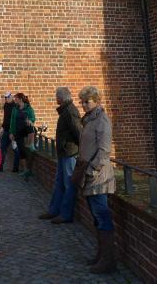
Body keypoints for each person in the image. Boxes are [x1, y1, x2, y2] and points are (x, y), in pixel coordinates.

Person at [76, 85, 116, 274]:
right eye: (82, 101)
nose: (84, 105)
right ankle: (101, 255)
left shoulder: (102, 120)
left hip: (98, 177)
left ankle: (108, 260)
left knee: (102, 216)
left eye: (87, 101)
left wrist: (91, 171)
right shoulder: (90, 119)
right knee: (96, 217)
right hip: (89, 174)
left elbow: (104, 150)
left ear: (96, 100)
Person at [39, 87, 81, 224]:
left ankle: (65, 214)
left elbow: (79, 132)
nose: (55, 98)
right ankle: (54, 210)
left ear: (61, 98)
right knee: (59, 183)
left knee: (68, 184)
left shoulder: (70, 111)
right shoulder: (66, 110)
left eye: (56, 96)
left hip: (70, 153)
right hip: (64, 153)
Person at [9, 93, 36, 178]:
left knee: (30, 126)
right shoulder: (15, 109)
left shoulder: (28, 108)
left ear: (20, 99)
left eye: (16, 98)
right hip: (18, 131)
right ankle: (25, 169)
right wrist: (11, 132)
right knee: (21, 150)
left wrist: (30, 120)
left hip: (26, 129)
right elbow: (12, 121)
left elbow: (33, 117)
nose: (14, 100)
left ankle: (31, 144)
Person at [0, 92, 17, 172]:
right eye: (5, 97)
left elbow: (14, 120)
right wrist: (3, 127)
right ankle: (0, 167)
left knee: (15, 148)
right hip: (6, 130)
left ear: (11, 97)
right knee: (2, 148)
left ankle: (16, 168)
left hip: (13, 131)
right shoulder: (5, 105)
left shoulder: (15, 106)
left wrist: (13, 131)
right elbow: (6, 118)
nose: (6, 99)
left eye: (8, 97)